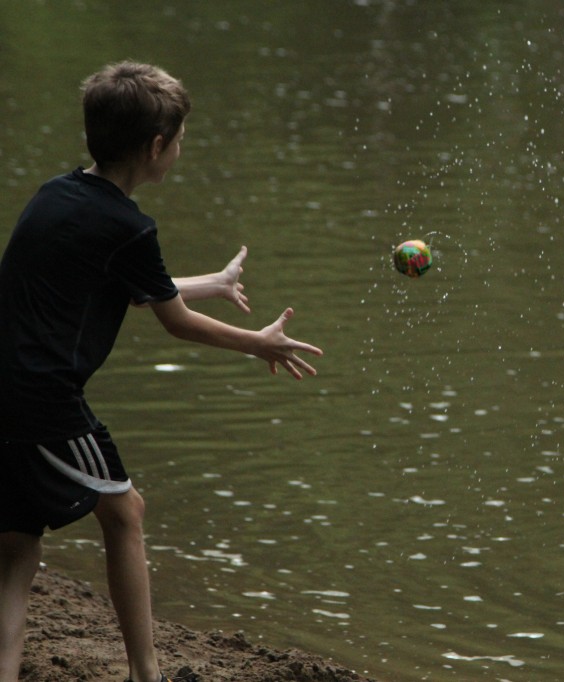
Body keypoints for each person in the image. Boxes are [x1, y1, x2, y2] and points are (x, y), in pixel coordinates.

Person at [0, 62, 323, 682]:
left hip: (6, 390)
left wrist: (214, 282)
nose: (179, 149)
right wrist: (259, 344)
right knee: (125, 512)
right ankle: (147, 673)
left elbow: (117, 286)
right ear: (156, 148)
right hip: (43, 401)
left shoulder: (56, 194)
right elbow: (173, 321)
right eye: (178, 139)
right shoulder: (130, 225)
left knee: (16, 548)